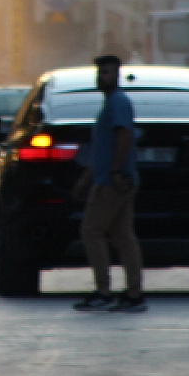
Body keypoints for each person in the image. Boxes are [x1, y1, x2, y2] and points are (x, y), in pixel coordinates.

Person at [72, 55, 146, 313]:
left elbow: (124, 136)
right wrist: (85, 180)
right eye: (99, 72)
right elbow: (101, 149)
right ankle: (134, 294)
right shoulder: (112, 103)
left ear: (117, 76)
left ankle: (104, 292)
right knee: (122, 235)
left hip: (112, 182)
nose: (101, 77)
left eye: (106, 73)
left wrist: (115, 171)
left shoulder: (117, 102)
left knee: (91, 231)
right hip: (112, 179)